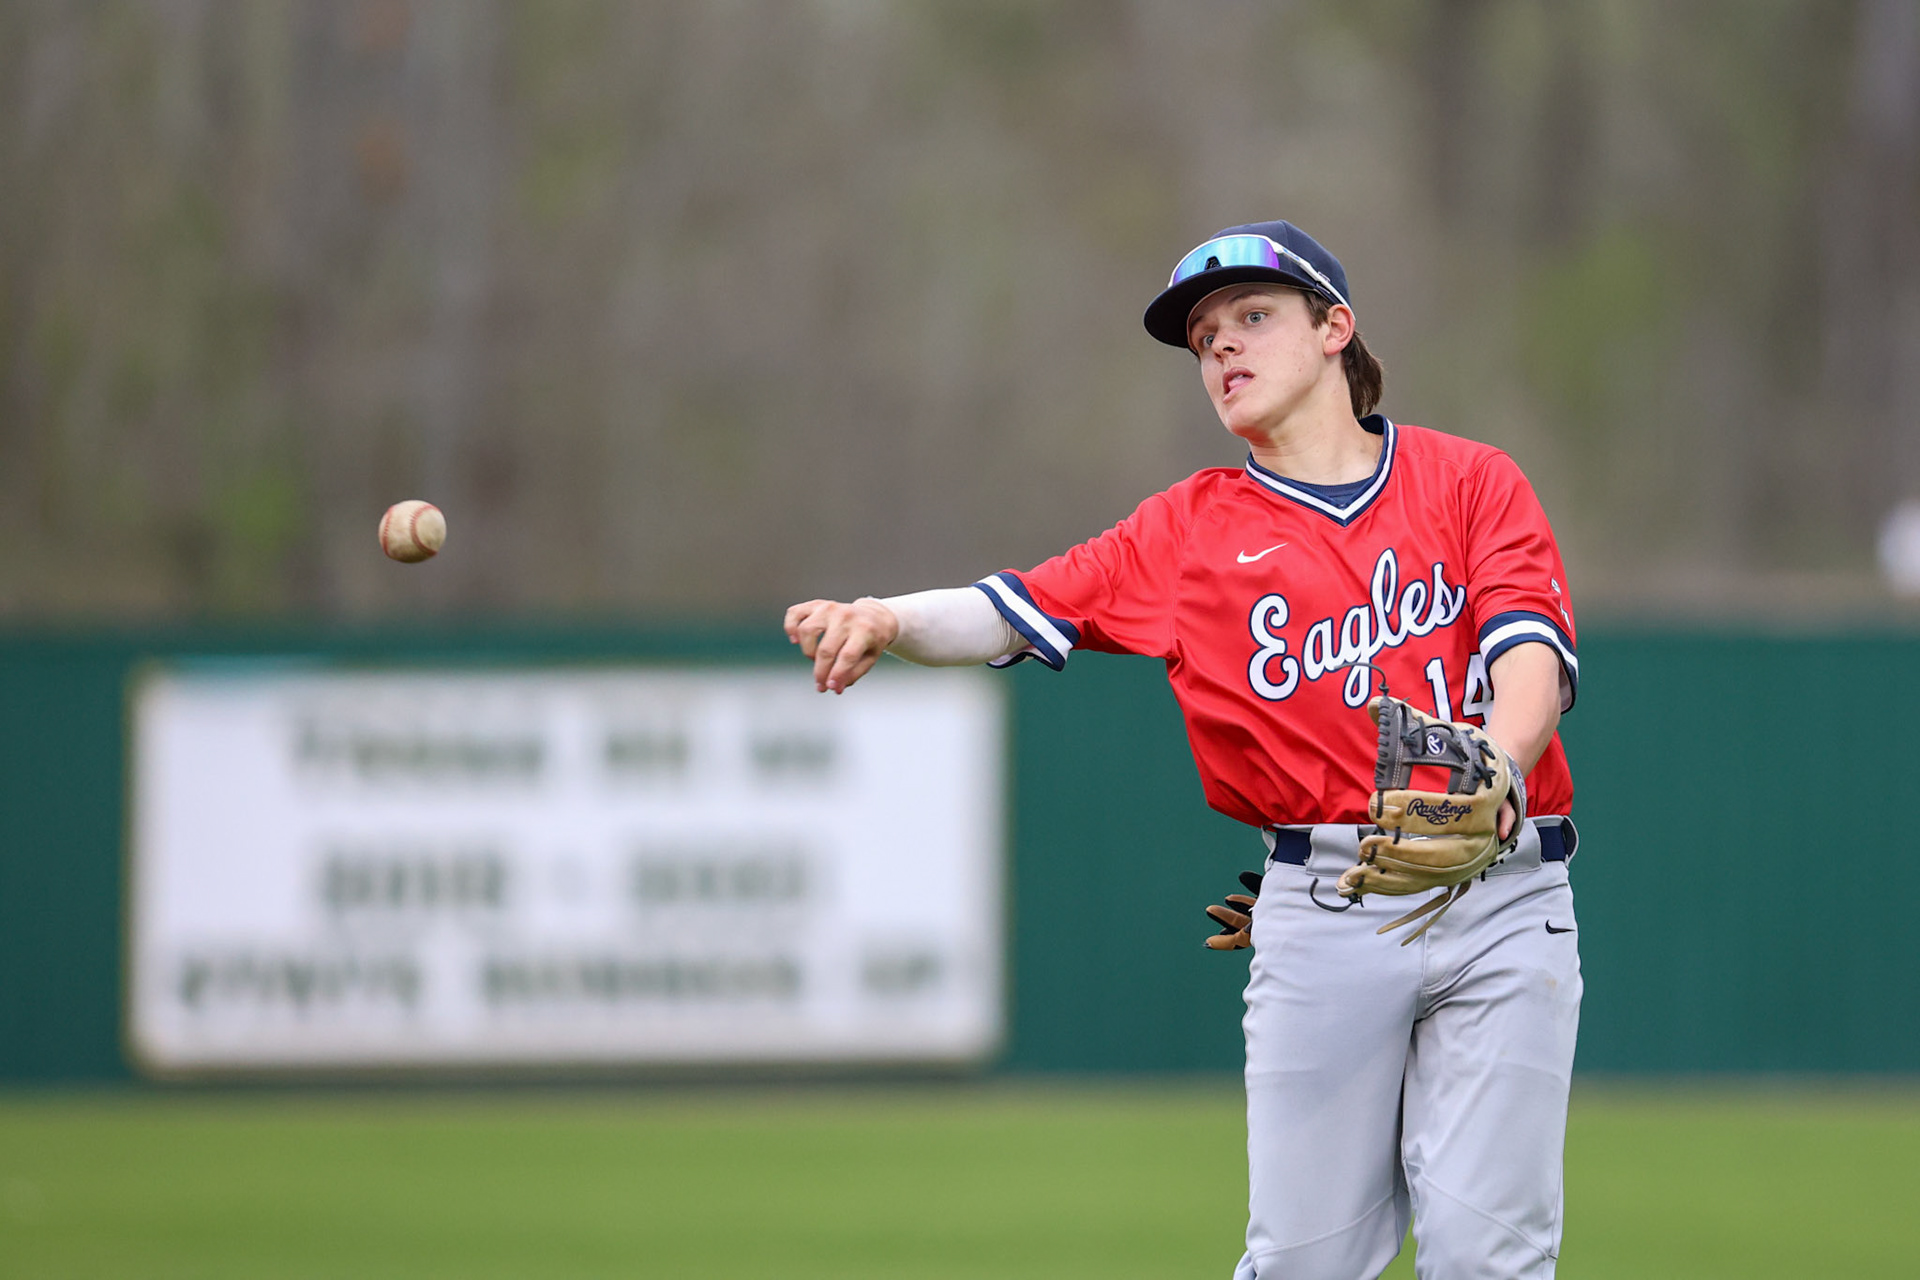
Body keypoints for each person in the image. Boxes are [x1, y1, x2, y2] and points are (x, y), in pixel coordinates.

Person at [783, 220, 1582, 1280]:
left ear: (1335, 328)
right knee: (1304, 1263)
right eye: (1204, 338)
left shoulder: (1468, 480)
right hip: (1327, 903)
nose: (1223, 347)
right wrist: (888, 617)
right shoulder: (1188, 530)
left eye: (1252, 315)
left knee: (1492, 1257)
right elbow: (1008, 608)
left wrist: (1496, 765)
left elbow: (1532, 656)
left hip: (1504, 895)